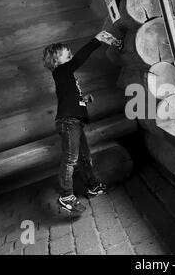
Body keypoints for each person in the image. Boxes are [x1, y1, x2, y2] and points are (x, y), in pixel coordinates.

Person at [43, 31, 122, 213]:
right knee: (70, 159)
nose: (70, 52)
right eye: (65, 52)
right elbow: (78, 59)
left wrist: (83, 100)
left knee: (85, 157)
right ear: (56, 61)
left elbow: (69, 98)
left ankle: (92, 186)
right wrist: (97, 40)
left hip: (75, 122)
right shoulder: (61, 71)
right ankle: (66, 195)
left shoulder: (66, 77)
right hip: (68, 122)